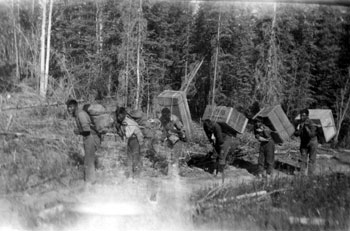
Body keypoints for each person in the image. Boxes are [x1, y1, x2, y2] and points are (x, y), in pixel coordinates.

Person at [66, 99, 101, 183]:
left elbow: (87, 130)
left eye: (71, 107)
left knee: (88, 161)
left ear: (75, 106)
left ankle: (90, 182)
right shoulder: (77, 114)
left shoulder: (81, 114)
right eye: (68, 107)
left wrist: (78, 132)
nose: (69, 109)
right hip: (88, 138)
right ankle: (89, 180)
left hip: (91, 137)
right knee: (88, 160)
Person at [115, 107, 144, 178]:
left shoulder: (128, 122)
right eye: (117, 116)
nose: (118, 118)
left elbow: (128, 134)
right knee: (129, 159)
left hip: (135, 140)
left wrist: (123, 129)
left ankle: (136, 177)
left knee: (135, 159)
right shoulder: (123, 122)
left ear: (123, 114)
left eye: (119, 116)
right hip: (131, 141)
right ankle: (130, 176)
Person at [159, 107, 187, 176]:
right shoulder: (162, 119)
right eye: (164, 116)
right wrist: (162, 139)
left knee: (175, 157)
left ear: (169, 114)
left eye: (166, 116)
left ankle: (175, 174)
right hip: (168, 138)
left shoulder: (175, 119)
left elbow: (181, 129)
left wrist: (183, 136)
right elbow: (164, 129)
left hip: (177, 139)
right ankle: (169, 173)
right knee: (168, 157)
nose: (165, 117)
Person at [294, 108, 318, 176]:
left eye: (304, 115)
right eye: (301, 115)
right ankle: (302, 175)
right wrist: (297, 130)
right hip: (304, 143)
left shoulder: (311, 123)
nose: (302, 117)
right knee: (303, 159)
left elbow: (312, 135)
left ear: (307, 115)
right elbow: (296, 133)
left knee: (312, 159)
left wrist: (306, 128)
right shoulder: (299, 123)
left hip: (312, 143)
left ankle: (310, 175)